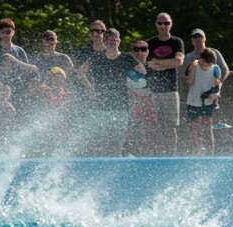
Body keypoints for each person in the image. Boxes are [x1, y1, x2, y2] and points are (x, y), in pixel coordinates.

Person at [78, 28, 143, 156]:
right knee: (99, 140)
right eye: (110, 40)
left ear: (119, 41)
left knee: (117, 141)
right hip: (99, 107)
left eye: (116, 39)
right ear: (105, 42)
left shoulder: (126, 58)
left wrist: (133, 83)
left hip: (121, 107)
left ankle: (116, 162)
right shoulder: (97, 57)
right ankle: (100, 163)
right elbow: (81, 71)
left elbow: (142, 71)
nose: (114, 42)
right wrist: (90, 87)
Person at [143, 13, 184, 154]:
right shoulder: (150, 43)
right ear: (156, 24)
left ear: (171, 24)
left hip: (171, 90)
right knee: (154, 126)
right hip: (152, 90)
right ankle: (157, 154)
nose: (163, 26)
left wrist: (159, 63)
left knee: (170, 126)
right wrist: (168, 63)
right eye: (160, 23)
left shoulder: (177, 42)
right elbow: (148, 64)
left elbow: (179, 62)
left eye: (166, 23)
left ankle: (171, 154)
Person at [183, 48, 222, 155]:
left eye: (210, 64)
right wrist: (193, 68)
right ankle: (196, 152)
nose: (207, 65)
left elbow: (217, 85)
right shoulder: (193, 66)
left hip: (208, 101)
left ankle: (210, 154)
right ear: (201, 59)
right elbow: (189, 83)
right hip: (193, 100)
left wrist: (214, 95)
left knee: (208, 127)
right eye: (206, 63)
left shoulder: (215, 68)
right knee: (194, 128)